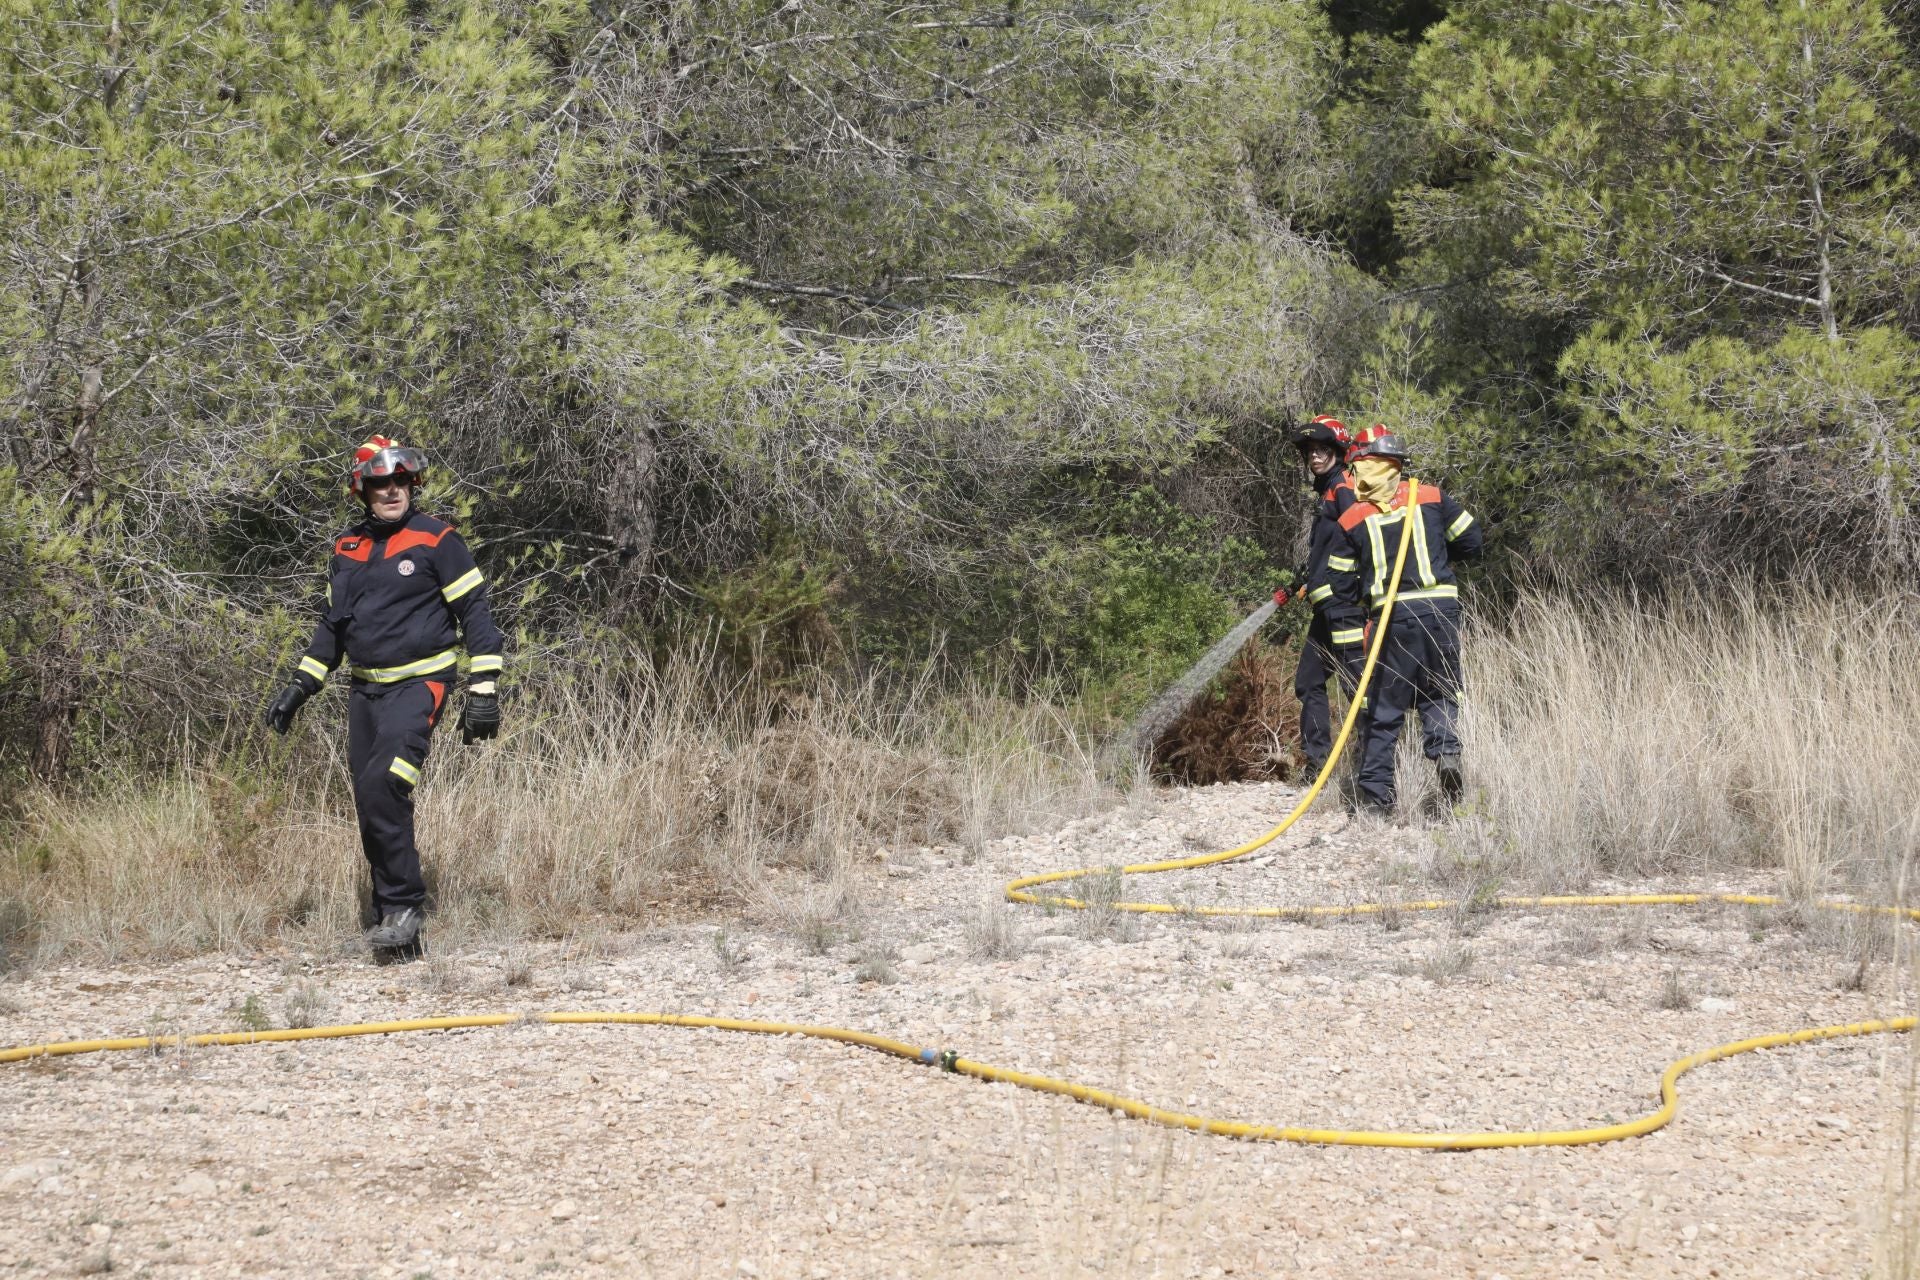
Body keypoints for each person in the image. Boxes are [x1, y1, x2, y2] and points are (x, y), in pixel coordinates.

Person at [264, 436, 504, 951]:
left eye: (400, 480)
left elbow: (476, 613)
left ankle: (403, 909)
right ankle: (387, 921)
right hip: (364, 693)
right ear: (362, 490)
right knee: (369, 801)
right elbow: (332, 629)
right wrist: (299, 687)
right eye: (380, 483)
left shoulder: (438, 539)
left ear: (412, 483)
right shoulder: (345, 550)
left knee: (385, 785)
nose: (392, 490)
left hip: (422, 684)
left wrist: (483, 686)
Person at [1325, 425, 1481, 818]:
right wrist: (1437, 556)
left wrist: (1350, 638)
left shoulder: (1352, 517)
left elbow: (1337, 586)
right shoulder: (1430, 496)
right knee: (1440, 693)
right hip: (1441, 613)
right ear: (1397, 463)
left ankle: (1377, 801)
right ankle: (1445, 750)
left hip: (1391, 621)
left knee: (1382, 710)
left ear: (1361, 465)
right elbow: (1473, 541)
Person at [1277, 416, 1366, 779]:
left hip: (1345, 609)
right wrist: (1306, 579)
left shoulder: (1344, 488)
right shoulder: (1328, 491)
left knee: (1355, 687)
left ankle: (1371, 767)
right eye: (1310, 451)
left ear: (1338, 452)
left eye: (1322, 450)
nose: (1315, 457)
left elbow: (1363, 541)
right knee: (1308, 681)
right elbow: (1329, 549)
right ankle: (1317, 766)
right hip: (1326, 609)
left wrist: (1343, 589)